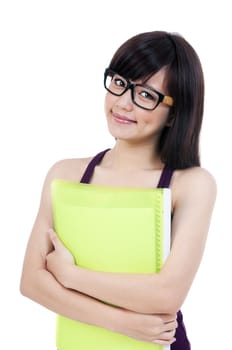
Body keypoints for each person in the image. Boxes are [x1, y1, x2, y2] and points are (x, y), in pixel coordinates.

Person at [20, 30, 217, 349]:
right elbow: (31, 282)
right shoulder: (65, 174)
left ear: (174, 113)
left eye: (145, 95)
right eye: (119, 83)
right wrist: (124, 323)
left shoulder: (192, 184)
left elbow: (167, 294)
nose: (123, 103)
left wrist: (70, 277)